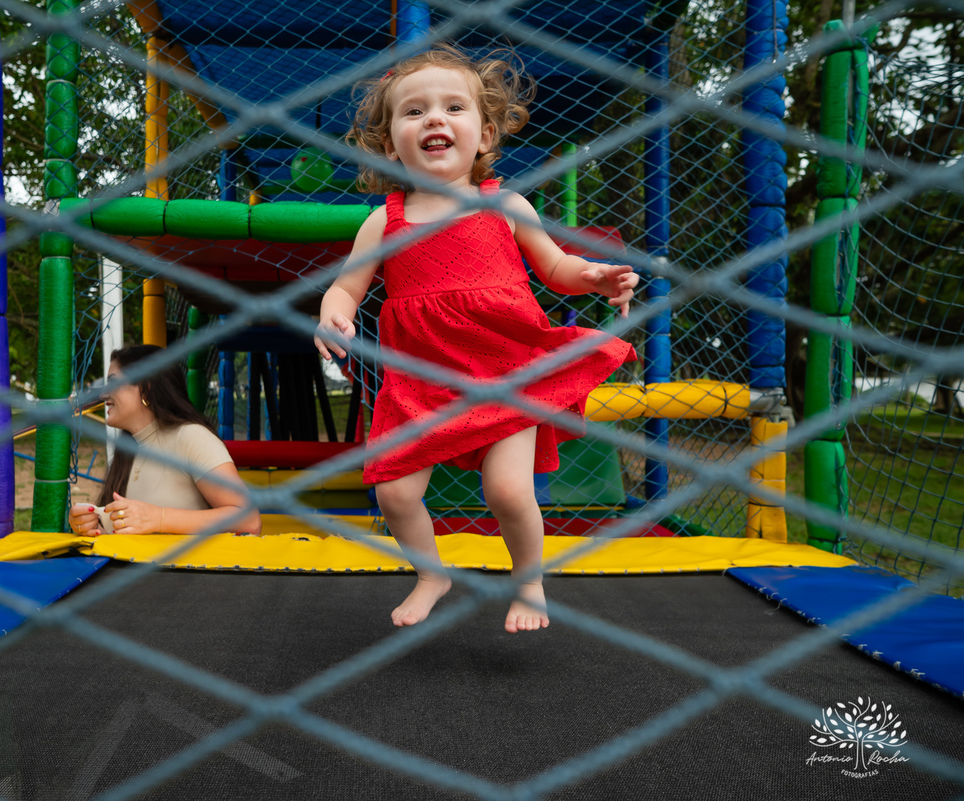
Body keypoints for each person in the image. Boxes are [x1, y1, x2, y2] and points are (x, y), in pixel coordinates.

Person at [314, 45, 638, 633]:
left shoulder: (505, 205)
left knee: (508, 491)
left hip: (504, 371)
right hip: (421, 381)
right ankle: (431, 574)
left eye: (453, 107)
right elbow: (346, 286)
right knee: (394, 493)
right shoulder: (384, 221)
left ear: (484, 135)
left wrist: (592, 276)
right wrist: (332, 314)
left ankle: (530, 582)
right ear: (391, 145)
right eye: (415, 111)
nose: (434, 119)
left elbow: (556, 266)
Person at [68, 344, 262, 538]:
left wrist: (158, 518)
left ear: (146, 388)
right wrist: (94, 527)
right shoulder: (127, 450)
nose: (103, 395)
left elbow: (250, 521)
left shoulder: (191, 437)